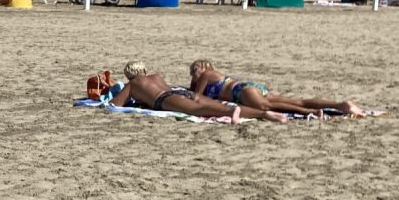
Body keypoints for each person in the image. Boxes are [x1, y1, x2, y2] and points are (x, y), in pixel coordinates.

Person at [107, 62, 287, 121]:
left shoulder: (133, 84)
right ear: (144, 70)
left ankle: (233, 112)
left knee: (198, 110)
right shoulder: (156, 76)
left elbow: (116, 104)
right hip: (179, 92)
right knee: (216, 103)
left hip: (165, 99)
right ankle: (262, 113)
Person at [189, 60, 361, 117]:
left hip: (240, 91)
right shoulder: (210, 76)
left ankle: (311, 112)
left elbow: (196, 96)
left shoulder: (207, 75)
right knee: (296, 101)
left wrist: (195, 82)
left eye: (194, 70)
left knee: (266, 107)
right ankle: (340, 105)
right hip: (248, 87)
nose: (193, 74)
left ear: (202, 67)